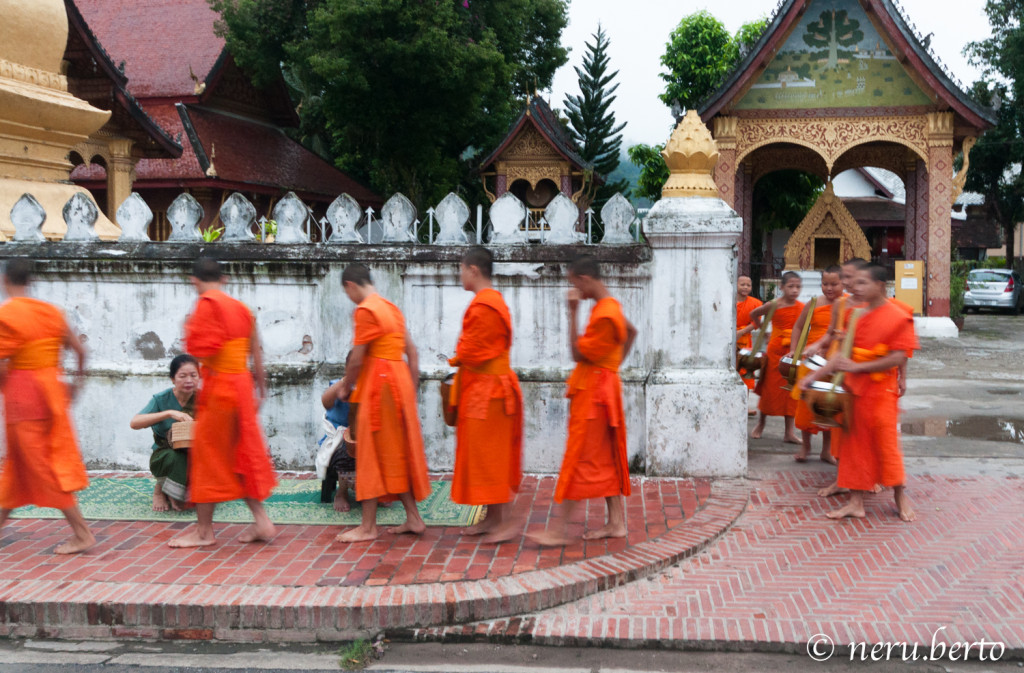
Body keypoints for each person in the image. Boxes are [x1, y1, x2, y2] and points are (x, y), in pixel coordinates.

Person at [169, 258, 277, 548]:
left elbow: (196, 348)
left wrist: (188, 325)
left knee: (207, 458)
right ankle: (262, 521)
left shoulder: (207, 304)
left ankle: (204, 532)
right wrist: (261, 391)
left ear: (195, 280)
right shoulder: (243, 309)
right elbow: (257, 353)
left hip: (221, 388)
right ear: (224, 278)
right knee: (238, 454)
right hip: (242, 386)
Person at [529, 256, 637, 546]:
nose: (573, 288)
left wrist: (572, 311)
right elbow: (631, 332)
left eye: (574, 282)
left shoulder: (603, 315)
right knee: (605, 457)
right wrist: (613, 367)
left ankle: (558, 530)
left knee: (579, 458)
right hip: (604, 388)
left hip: (595, 396)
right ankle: (617, 523)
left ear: (585, 280)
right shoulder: (610, 306)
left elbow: (577, 354)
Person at [799, 263, 918, 522]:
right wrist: (812, 377)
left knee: (886, 445)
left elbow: (898, 357)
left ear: (880, 286)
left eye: (863, 283)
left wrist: (858, 366)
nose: (856, 287)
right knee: (854, 447)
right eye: (855, 282)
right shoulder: (854, 315)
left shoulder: (899, 316)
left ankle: (899, 496)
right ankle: (856, 502)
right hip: (854, 390)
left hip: (881, 391)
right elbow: (841, 355)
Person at [0, 258, 95, 554]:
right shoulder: (51, 312)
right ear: (30, 282)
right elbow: (80, 351)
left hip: (23, 399)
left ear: (6, 281)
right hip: (50, 394)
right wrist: (75, 387)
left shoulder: (8, 314)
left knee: (42, 468)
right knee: (18, 466)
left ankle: (82, 533)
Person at [334, 264, 431, 543]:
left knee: (372, 454)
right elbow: (412, 353)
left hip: (379, 385)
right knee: (393, 453)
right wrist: (409, 390)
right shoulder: (391, 308)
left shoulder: (366, 310)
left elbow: (356, 358)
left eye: (347, 292)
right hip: (398, 383)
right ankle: (413, 517)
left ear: (351, 285)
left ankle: (367, 527)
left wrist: (346, 386)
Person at [448, 247, 523, 544]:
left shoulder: (485, 306)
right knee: (483, 455)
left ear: (473, 270)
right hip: (485, 388)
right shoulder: (489, 302)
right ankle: (492, 517)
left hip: (491, 392)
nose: (460, 274)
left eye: (461, 268)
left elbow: (472, 351)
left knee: (491, 458)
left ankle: (505, 522)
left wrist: (456, 359)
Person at [130, 354, 200, 511]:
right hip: (166, 454)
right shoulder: (161, 399)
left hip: (196, 452)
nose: (189, 380)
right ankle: (160, 490)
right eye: (183, 376)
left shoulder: (204, 398)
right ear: (173, 379)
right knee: (175, 457)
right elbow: (134, 423)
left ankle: (181, 492)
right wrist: (169, 413)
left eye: (193, 375)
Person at [789, 266, 843, 464]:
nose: (829, 288)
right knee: (806, 406)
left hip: (833, 362)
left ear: (843, 283)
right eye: (825, 284)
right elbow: (798, 326)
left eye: (834, 284)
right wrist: (794, 351)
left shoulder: (846, 304)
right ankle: (806, 446)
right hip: (811, 361)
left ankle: (826, 451)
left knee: (828, 406)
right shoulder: (813, 303)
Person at [749, 272, 804, 444]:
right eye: (790, 286)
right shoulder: (774, 304)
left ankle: (789, 432)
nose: (794, 290)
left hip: (794, 351)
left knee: (790, 393)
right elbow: (753, 314)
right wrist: (764, 331)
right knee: (769, 390)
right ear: (781, 287)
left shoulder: (802, 307)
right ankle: (761, 424)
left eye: (798, 287)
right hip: (776, 351)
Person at [316, 358, 356, 512]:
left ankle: (378, 491)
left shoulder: (371, 387)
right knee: (347, 452)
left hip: (364, 439)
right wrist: (345, 382)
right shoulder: (339, 386)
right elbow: (326, 402)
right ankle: (342, 492)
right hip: (339, 441)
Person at [736, 275, 763, 402]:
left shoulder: (754, 303)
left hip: (745, 341)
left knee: (745, 372)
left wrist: (742, 332)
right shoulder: (728, 301)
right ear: (735, 285)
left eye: (748, 285)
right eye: (742, 284)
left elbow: (757, 322)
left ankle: (744, 405)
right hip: (729, 340)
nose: (745, 287)